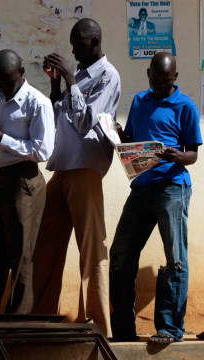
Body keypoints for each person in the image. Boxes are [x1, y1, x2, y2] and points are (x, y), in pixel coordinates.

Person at [31, 18, 120, 337]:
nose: (73, 50)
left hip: (85, 167)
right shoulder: (79, 74)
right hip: (63, 166)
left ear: (95, 42)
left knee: (91, 248)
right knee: (46, 244)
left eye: (78, 44)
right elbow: (58, 115)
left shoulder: (108, 76)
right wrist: (57, 84)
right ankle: (41, 316)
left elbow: (85, 123)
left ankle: (96, 323)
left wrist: (69, 76)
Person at [110, 52, 201, 344]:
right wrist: (121, 138)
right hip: (142, 187)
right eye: (155, 80)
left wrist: (179, 155)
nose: (160, 85)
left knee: (175, 259)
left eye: (166, 81)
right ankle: (123, 328)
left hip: (173, 187)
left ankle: (170, 329)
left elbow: (193, 154)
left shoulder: (186, 106)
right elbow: (134, 143)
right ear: (148, 74)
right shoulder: (139, 101)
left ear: (175, 78)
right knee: (121, 255)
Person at [0, 50, 54, 314]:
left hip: (24, 182)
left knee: (22, 258)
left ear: (21, 73)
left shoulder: (37, 103)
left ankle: (16, 325)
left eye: (8, 82)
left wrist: (2, 139)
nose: (3, 88)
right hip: (0, 183)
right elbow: (1, 146)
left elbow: (42, 151)